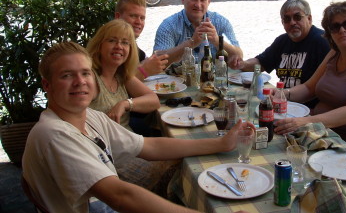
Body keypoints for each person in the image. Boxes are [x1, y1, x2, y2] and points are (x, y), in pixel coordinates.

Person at [22, 41, 252, 213]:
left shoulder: (88, 117)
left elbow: (149, 146)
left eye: (85, 73)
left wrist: (221, 143)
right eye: (66, 75)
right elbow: (120, 196)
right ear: (47, 85)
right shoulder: (54, 134)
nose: (80, 81)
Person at [274, 1, 346, 167]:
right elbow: (309, 88)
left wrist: (305, 121)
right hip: (325, 133)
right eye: (335, 27)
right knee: (279, 154)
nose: (342, 30)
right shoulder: (334, 53)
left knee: (296, 164)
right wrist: (280, 94)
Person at [229, 0, 330, 109]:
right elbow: (261, 62)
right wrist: (243, 64)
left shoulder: (322, 42)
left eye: (297, 17)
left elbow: (320, 87)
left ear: (309, 18)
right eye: (287, 19)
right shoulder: (282, 41)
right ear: (282, 23)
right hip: (282, 102)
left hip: (307, 107)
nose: (292, 22)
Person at [86, 19, 160, 131]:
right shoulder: (91, 78)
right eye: (112, 40)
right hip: (108, 145)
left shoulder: (120, 74)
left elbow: (154, 100)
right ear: (99, 45)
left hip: (127, 139)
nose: (119, 46)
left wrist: (125, 104)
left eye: (125, 42)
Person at [153, 0, 243, 64]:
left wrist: (217, 40)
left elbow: (239, 56)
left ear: (209, 1)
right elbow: (157, 60)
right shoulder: (169, 25)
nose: (198, 5)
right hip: (177, 79)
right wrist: (191, 43)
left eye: (202, 0)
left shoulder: (220, 22)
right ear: (183, 0)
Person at [115, 0, 168, 80]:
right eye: (133, 16)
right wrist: (144, 70)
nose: (138, 22)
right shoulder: (111, 46)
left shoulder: (139, 53)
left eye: (142, 18)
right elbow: (114, 85)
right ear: (118, 17)